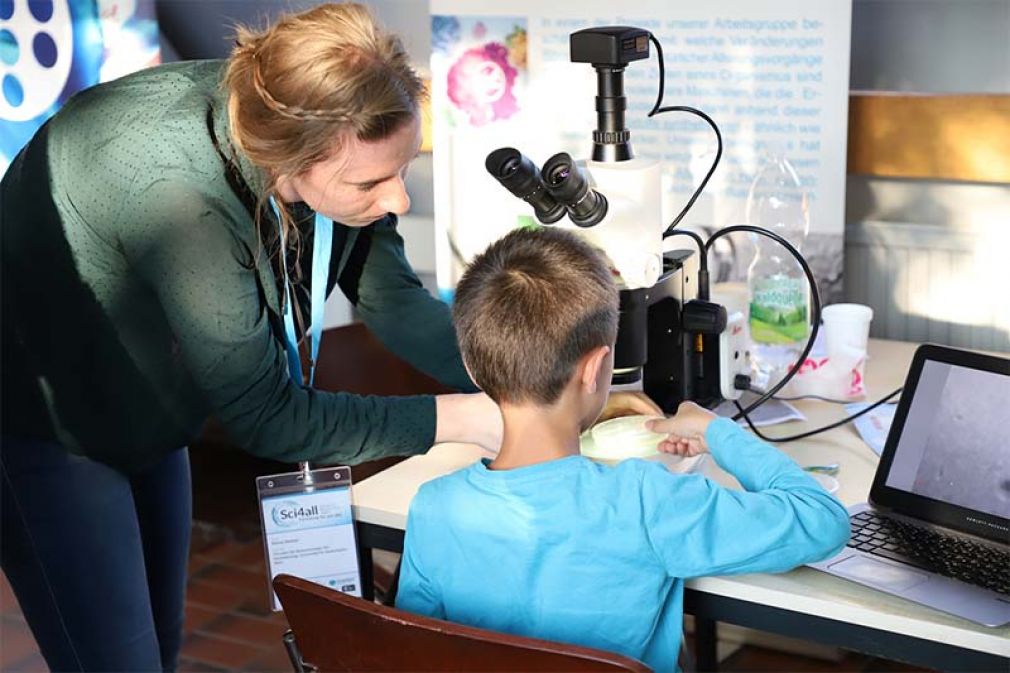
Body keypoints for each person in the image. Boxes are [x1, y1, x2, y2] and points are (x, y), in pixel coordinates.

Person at [1, 4, 661, 670]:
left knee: (159, 644)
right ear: (288, 166)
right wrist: (468, 418)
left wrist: (541, 386)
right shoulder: (181, 198)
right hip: (49, 427)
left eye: (401, 170)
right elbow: (266, 415)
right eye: (372, 182)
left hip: (150, 407)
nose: (398, 199)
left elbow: (394, 301)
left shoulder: (325, 133)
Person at [395, 227, 850, 672]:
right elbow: (821, 521)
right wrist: (717, 434)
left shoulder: (434, 508)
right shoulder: (645, 501)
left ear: (474, 369)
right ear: (596, 368)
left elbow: (417, 652)